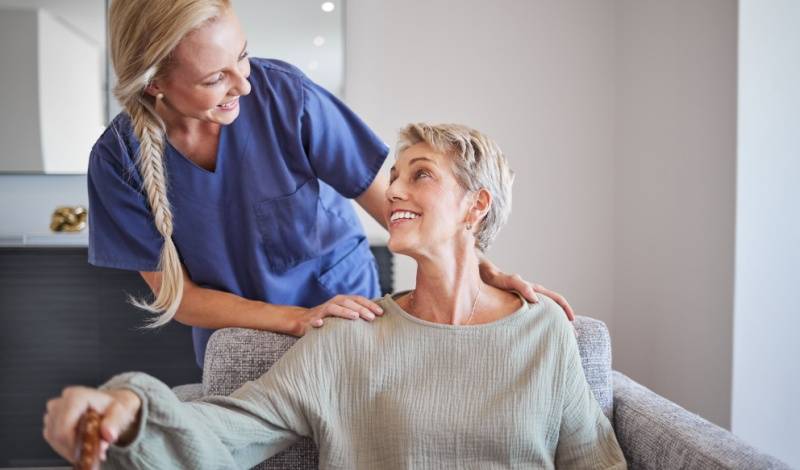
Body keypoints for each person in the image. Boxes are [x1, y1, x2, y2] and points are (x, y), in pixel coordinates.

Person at [45, 123, 625, 469]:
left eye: (419, 174)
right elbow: (228, 431)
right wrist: (133, 412)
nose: (393, 188)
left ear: (476, 206)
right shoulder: (351, 336)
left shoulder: (543, 330)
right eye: (393, 175)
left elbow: (592, 460)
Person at [91, 0, 574, 369]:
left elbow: (397, 205)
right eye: (217, 77)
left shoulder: (285, 94)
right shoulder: (116, 163)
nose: (244, 85)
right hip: (245, 335)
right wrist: (295, 319)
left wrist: (481, 272)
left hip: (350, 311)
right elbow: (180, 297)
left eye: (244, 57)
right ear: (155, 83)